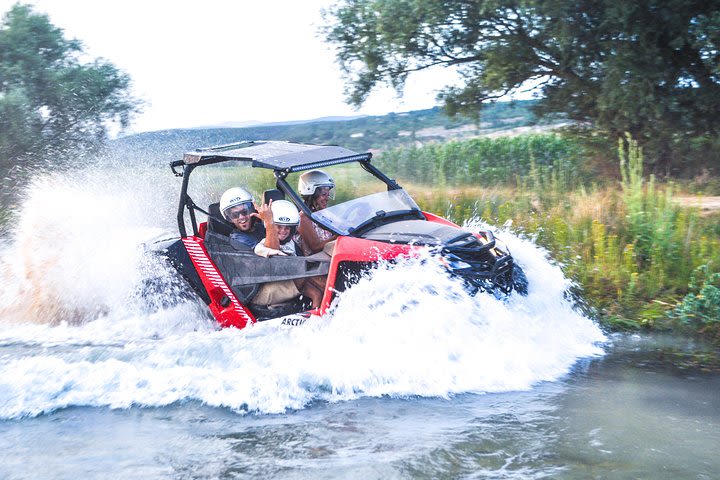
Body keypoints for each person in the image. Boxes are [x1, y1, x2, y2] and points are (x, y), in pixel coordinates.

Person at [251, 199, 325, 309]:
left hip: (292, 279)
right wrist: (269, 222)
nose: (283, 231)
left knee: (317, 294)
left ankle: (319, 314)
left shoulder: (291, 243)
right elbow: (273, 250)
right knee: (313, 277)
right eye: (279, 227)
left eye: (287, 227)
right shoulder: (261, 246)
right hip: (270, 287)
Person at [295, 169, 337, 255]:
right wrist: (339, 237)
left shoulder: (323, 213)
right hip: (315, 263)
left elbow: (341, 225)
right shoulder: (304, 217)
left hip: (329, 255)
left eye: (328, 194)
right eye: (324, 195)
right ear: (312, 194)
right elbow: (315, 247)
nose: (327, 198)